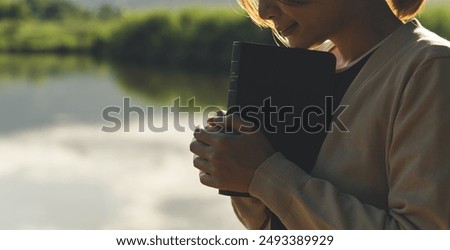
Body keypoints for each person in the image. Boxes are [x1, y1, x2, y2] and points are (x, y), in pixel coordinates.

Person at [189, 0, 450, 229]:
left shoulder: (431, 68)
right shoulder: (309, 66)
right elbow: (275, 227)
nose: (265, 11)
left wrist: (265, 174)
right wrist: (240, 175)